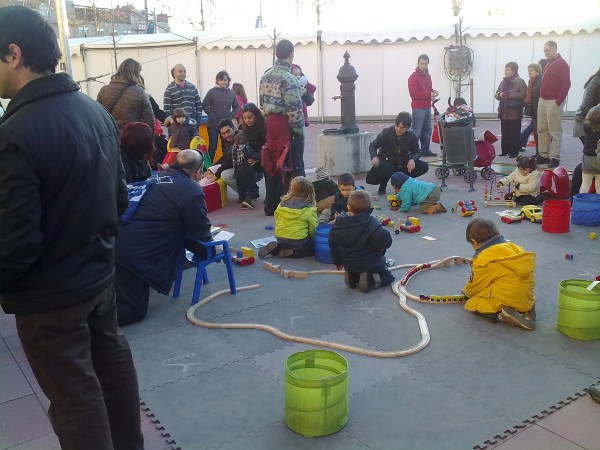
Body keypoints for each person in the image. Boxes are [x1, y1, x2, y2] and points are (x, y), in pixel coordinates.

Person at [0, 6, 143, 449]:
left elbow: (15, 240)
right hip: (99, 278)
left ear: (13, 53)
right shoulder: (93, 110)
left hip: (50, 297)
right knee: (113, 369)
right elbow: (119, 198)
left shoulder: (14, 133)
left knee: (75, 398)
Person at [115, 150, 212, 325]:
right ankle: (81, 325)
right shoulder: (191, 189)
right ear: (197, 172)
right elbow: (200, 231)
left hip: (114, 239)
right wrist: (211, 249)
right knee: (133, 310)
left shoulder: (156, 177)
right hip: (133, 254)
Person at [462, 218, 536, 330]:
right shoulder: (512, 247)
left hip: (509, 299)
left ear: (474, 241)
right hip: (525, 299)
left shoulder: (483, 259)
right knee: (507, 284)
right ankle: (527, 310)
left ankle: (501, 316)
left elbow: (476, 284)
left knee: (473, 303)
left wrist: (467, 291)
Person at [259, 39, 305, 215]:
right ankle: (297, 204)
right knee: (294, 165)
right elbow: (295, 111)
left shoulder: (265, 75)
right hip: (287, 127)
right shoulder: (289, 78)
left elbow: (262, 105)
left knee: (272, 165)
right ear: (291, 55)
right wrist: (299, 132)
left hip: (271, 126)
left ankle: (271, 206)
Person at [328, 190, 395, 293]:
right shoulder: (370, 222)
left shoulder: (338, 223)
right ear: (369, 208)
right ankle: (369, 278)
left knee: (353, 262)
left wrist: (337, 262)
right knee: (387, 278)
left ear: (348, 207)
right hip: (370, 263)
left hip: (348, 262)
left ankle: (352, 275)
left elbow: (332, 244)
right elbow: (385, 241)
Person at [367, 111, 429, 195]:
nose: (399, 129)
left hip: (402, 162)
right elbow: (373, 145)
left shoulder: (411, 135)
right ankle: (383, 185)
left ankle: (404, 183)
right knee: (385, 167)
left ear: (408, 128)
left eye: (402, 128)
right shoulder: (387, 132)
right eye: (397, 126)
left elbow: (417, 151)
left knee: (424, 166)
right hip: (387, 160)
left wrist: (412, 159)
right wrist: (374, 156)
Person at [258, 176, 318, 259]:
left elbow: (277, 217)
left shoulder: (282, 203)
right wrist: (313, 238)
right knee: (312, 247)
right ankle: (294, 252)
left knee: (287, 239)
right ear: (310, 192)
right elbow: (313, 228)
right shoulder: (308, 209)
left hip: (280, 238)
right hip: (298, 241)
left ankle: (277, 248)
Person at [537, 41, 571, 168]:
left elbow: (566, 83)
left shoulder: (561, 64)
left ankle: (554, 157)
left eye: (547, 50)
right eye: (544, 51)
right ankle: (543, 154)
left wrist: (559, 100)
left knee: (554, 130)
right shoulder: (548, 64)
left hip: (553, 101)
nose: (545, 53)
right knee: (542, 129)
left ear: (554, 48)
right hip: (543, 100)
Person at [97, 57, 154, 132]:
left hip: (110, 137)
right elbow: (149, 121)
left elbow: (97, 116)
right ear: (136, 73)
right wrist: (150, 141)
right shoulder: (139, 92)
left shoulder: (104, 90)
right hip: (131, 137)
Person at [203, 70, 239, 161]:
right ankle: (207, 168)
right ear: (217, 81)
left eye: (225, 79)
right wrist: (212, 115)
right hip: (213, 125)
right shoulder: (212, 92)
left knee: (226, 147)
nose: (223, 81)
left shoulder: (231, 93)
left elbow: (236, 107)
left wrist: (230, 117)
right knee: (213, 147)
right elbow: (204, 104)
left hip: (226, 125)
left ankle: (226, 165)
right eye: (221, 79)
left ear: (228, 81)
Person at [407, 54, 439, 157]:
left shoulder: (428, 76)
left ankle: (425, 149)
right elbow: (414, 94)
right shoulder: (413, 77)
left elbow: (428, 89)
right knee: (416, 130)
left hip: (427, 106)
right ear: (418, 63)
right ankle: (412, 151)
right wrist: (429, 94)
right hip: (418, 107)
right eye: (422, 63)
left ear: (428, 64)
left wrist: (433, 92)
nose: (423, 66)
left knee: (427, 130)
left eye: (425, 64)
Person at [494, 61, 527, 158]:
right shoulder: (503, 81)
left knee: (514, 132)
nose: (505, 71)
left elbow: (523, 94)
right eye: (505, 69)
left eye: (507, 70)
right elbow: (497, 93)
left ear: (513, 71)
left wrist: (508, 94)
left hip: (514, 111)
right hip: (503, 111)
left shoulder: (520, 81)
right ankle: (505, 150)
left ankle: (513, 152)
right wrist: (500, 95)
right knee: (505, 131)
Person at [231, 129, 260, 209]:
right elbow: (256, 155)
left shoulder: (234, 149)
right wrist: (261, 155)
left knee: (241, 187)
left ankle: (242, 199)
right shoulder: (246, 149)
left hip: (237, 172)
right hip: (247, 171)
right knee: (253, 188)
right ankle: (248, 200)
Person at [519, 62, 544, 155]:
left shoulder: (540, 81)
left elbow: (539, 95)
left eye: (531, 70)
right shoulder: (531, 81)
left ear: (537, 71)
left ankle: (540, 152)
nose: (529, 72)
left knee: (539, 132)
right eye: (528, 71)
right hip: (534, 109)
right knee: (536, 132)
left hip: (539, 109)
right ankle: (538, 152)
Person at [573, 68, 600, 145]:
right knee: (592, 152)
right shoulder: (596, 81)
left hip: (593, 123)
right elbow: (586, 106)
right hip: (585, 122)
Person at [213, 118, 239, 193]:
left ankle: (247, 194)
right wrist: (211, 168)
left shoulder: (239, 138)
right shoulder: (227, 140)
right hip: (240, 166)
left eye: (228, 131)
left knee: (225, 175)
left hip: (253, 170)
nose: (226, 135)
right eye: (223, 133)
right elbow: (225, 157)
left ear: (233, 128)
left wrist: (216, 175)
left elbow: (228, 161)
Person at [579, 105, 600, 193]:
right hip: (598, 158)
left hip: (587, 158)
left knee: (585, 184)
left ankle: (581, 202)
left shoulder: (586, 126)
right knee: (599, 186)